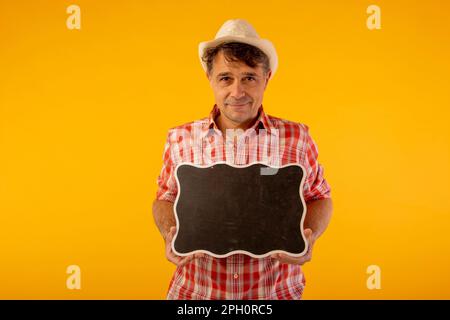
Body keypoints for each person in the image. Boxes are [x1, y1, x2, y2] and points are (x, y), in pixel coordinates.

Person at [152, 19, 333, 300]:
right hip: (196, 294)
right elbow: (165, 198)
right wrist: (170, 234)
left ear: (267, 78)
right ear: (210, 79)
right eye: (226, 78)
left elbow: (320, 197)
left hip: (274, 294)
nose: (237, 92)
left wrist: (308, 235)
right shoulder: (180, 138)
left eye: (249, 77)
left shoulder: (297, 137)